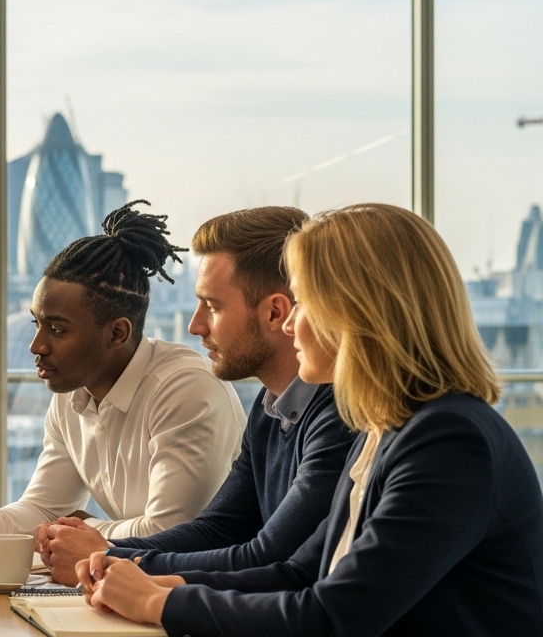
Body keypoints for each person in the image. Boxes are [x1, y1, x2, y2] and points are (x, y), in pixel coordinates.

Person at [75, 204, 543, 637]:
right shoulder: (386, 429)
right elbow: (300, 573)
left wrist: (158, 601)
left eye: (305, 303)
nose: (292, 322)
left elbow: (329, 621)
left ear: (356, 314)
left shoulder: (447, 444)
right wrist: (145, 578)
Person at [40, 207, 354, 577]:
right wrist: (104, 550)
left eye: (213, 306)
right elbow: (218, 529)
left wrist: (108, 558)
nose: (194, 325)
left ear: (275, 313)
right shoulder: (270, 409)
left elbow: (270, 557)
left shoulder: (340, 417)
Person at [0, 201, 245, 544]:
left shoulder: (184, 390)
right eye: (37, 323)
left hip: (207, 586)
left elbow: (169, 533)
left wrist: (85, 529)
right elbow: (46, 509)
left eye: (57, 330)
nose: (37, 346)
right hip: (137, 579)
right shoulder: (72, 395)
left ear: (117, 334)